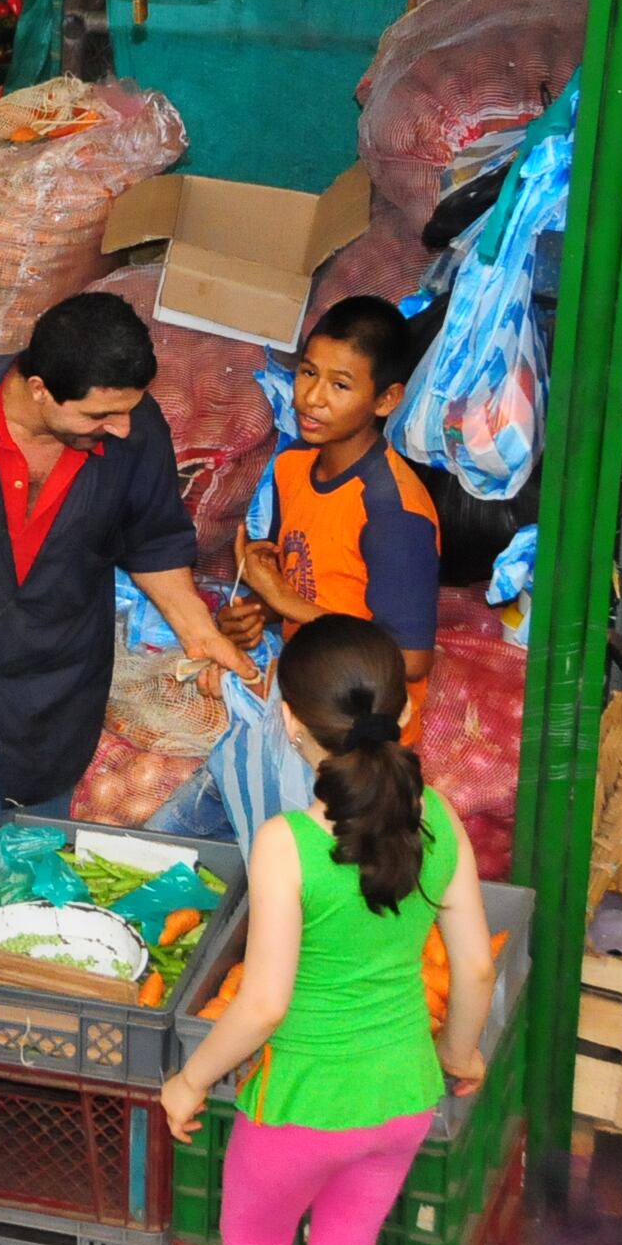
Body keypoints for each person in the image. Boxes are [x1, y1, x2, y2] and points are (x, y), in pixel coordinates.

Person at [160, 615, 495, 1245]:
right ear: (401, 711)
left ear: (289, 723)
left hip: (300, 1106)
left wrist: (188, 1083)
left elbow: (262, 1006)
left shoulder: (289, 844)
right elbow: (478, 967)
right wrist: (459, 1054)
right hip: (402, 1098)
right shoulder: (442, 817)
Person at [0, 292, 253, 820]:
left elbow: (153, 544)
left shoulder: (135, 428)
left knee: (12, 863)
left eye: (128, 410)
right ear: (39, 390)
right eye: (100, 414)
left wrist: (203, 637)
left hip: (52, 701)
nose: (123, 427)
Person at [148, 296, 441, 840]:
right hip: (294, 709)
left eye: (340, 385)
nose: (312, 397)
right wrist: (254, 614)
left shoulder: (393, 511)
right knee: (184, 835)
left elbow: (411, 659)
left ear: (387, 399)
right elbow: (294, 580)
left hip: (354, 739)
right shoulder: (292, 469)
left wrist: (284, 601)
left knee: (289, 871)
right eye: (308, 372)